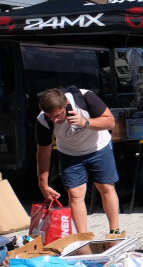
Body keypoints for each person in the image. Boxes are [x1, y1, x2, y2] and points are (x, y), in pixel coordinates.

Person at [35, 87, 121, 236]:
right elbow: (43, 152)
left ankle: (115, 230)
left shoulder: (85, 97)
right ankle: (83, 236)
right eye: (51, 117)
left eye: (59, 115)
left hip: (99, 147)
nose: (56, 120)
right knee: (75, 194)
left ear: (67, 104)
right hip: (70, 153)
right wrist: (43, 183)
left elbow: (110, 121)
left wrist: (85, 122)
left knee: (106, 187)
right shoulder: (43, 120)